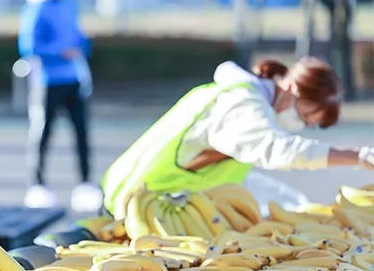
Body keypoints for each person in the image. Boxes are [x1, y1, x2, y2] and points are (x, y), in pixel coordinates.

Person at [102, 58, 374, 220]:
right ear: (292, 89)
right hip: (139, 206)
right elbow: (277, 150)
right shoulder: (241, 104)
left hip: (167, 204)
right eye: (305, 116)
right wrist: (358, 157)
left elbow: (235, 176)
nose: (301, 125)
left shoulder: (252, 105)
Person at [18, 0, 101, 212]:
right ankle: (37, 185)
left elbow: (79, 38)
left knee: (82, 133)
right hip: (46, 82)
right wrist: (60, 52)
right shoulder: (36, 8)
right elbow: (28, 46)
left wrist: (82, 46)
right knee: (42, 133)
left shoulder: (70, 5)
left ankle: (86, 184)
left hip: (74, 79)